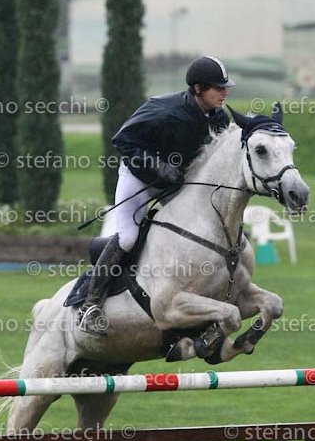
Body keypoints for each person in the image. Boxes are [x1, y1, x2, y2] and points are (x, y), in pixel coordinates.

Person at [78, 55, 235, 336]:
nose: (225, 92)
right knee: (128, 237)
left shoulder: (220, 118)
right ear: (198, 88)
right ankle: (90, 305)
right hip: (139, 179)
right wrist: (158, 166)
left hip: (175, 185)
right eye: (218, 88)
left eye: (225, 87)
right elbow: (122, 140)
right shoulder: (163, 109)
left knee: (197, 232)